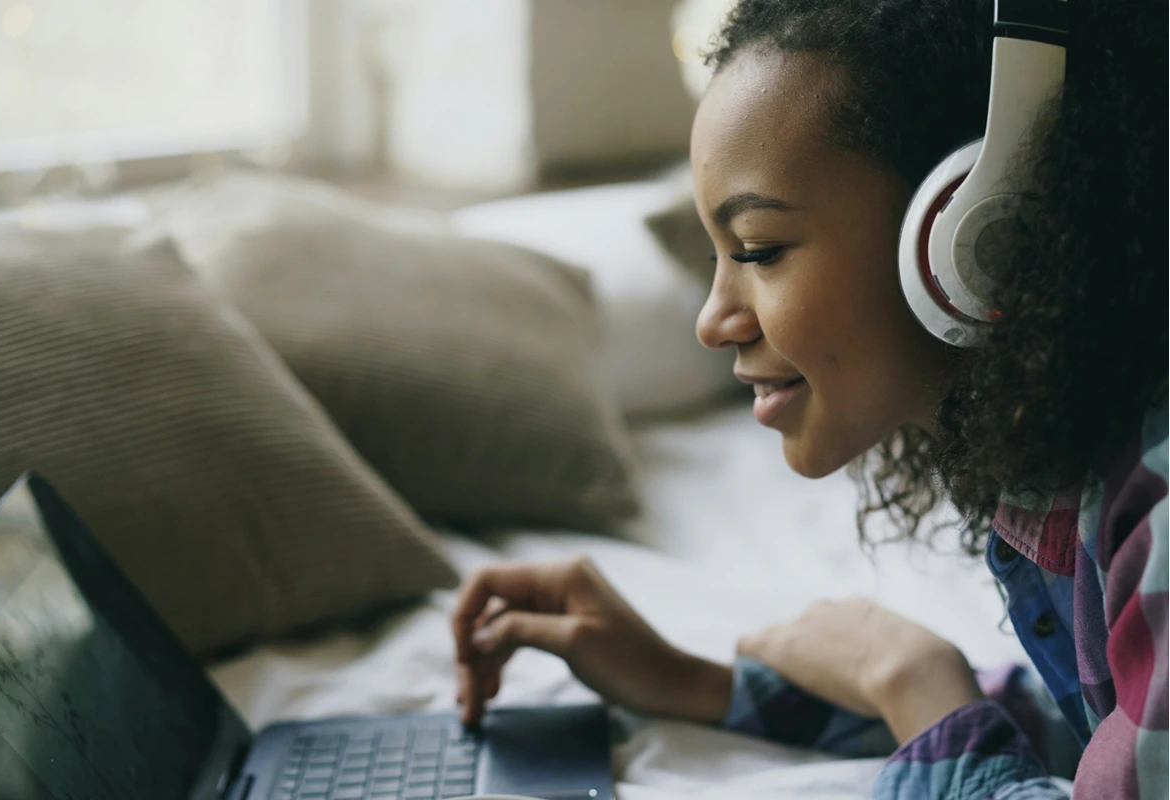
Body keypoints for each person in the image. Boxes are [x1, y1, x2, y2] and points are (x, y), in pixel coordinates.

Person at [450, 0, 1170, 796]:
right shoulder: (1083, 466)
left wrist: (916, 688)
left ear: (972, 233)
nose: (712, 321)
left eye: (758, 249)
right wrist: (695, 683)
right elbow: (1104, 717)